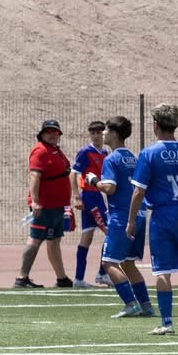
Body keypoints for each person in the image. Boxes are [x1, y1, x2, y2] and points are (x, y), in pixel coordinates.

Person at [127, 104, 178, 335]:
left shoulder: (150, 153)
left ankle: (166, 323)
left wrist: (131, 220)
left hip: (163, 216)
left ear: (155, 125)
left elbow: (139, 191)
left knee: (163, 272)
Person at [92, 116, 155, 319]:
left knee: (108, 262)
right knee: (128, 263)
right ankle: (146, 305)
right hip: (140, 215)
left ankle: (131, 304)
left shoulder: (112, 159)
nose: (103, 133)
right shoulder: (134, 158)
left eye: (106, 130)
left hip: (121, 217)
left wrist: (94, 181)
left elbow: (110, 188)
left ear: (115, 134)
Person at [16, 120, 75, 289]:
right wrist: (35, 201)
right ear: (42, 134)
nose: (52, 135)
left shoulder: (55, 151)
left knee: (54, 240)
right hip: (45, 206)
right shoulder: (40, 151)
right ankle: (22, 277)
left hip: (56, 206)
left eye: (55, 132)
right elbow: (35, 176)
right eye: (48, 132)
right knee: (35, 239)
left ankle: (61, 278)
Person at [72, 120, 111, 287]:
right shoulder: (85, 152)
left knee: (86, 237)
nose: (95, 135)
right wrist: (77, 197)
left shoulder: (105, 153)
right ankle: (103, 273)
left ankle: (79, 279)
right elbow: (73, 174)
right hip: (90, 197)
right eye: (92, 132)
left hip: (97, 196)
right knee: (111, 233)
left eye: (98, 132)